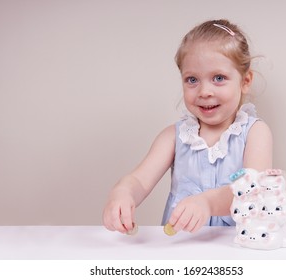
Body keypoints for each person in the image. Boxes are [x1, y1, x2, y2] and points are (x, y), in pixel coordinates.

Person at [102, 19, 272, 234]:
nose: (204, 91)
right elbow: (139, 180)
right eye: (192, 80)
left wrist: (208, 203)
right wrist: (122, 193)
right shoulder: (174, 136)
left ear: (245, 81)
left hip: (236, 244)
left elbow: (252, 191)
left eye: (218, 78)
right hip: (181, 245)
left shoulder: (255, 133)